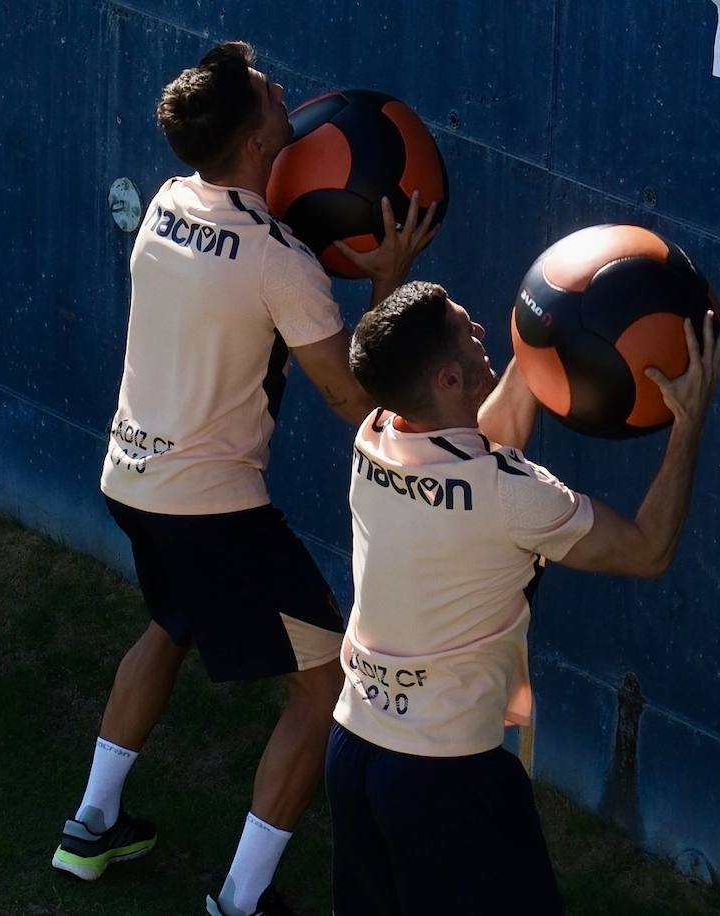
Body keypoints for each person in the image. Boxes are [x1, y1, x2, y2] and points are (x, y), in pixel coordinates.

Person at [49, 41, 438, 916]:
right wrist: (388, 282)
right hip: (212, 512)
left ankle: (91, 826)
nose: (283, 94)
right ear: (261, 142)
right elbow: (353, 400)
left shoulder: (167, 199)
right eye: (269, 94)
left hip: (132, 481)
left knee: (173, 620)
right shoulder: (279, 261)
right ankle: (239, 900)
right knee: (324, 680)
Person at [327, 280, 720, 915]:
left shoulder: (376, 436)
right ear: (446, 380)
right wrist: (689, 419)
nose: (481, 334)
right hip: (447, 777)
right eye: (468, 333)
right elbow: (648, 549)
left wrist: (544, 333)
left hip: (353, 751)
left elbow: (485, 443)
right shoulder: (513, 494)